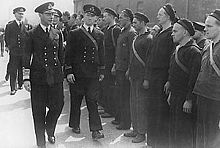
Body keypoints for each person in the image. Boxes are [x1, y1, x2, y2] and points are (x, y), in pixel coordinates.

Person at [23, 2, 64, 148]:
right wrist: (26, 78)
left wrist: (63, 73)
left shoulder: (57, 33)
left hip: (55, 77)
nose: (51, 17)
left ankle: (50, 128)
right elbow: (26, 57)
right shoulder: (31, 34)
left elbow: (61, 56)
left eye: (53, 14)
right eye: (48, 14)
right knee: (38, 112)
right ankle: (41, 143)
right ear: (40, 15)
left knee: (58, 105)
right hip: (38, 77)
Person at [65, 4, 105, 140]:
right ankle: (74, 124)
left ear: (95, 19)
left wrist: (102, 70)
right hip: (77, 74)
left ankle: (96, 130)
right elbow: (68, 54)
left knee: (92, 101)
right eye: (87, 15)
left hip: (92, 74)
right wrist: (69, 71)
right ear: (83, 17)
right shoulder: (74, 33)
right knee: (76, 100)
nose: (90, 17)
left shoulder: (100, 34)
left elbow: (101, 54)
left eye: (93, 16)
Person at [164, 18, 202, 148]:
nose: (172, 33)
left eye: (175, 31)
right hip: (175, 96)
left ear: (185, 32)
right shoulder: (178, 48)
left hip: (185, 99)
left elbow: (194, 78)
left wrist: (189, 100)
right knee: (174, 129)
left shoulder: (194, 52)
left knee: (184, 132)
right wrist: (171, 92)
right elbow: (173, 71)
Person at [143, 3, 176, 148]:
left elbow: (172, 58)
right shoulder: (160, 33)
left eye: (160, 14)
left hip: (162, 76)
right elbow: (150, 55)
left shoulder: (171, 34)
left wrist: (169, 79)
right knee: (152, 108)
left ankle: (160, 143)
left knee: (161, 110)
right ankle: (152, 141)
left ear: (168, 16)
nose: (157, 16)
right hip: (154, 76)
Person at [124, 12, 152, 143]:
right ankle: (135, 128)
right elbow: (132, 56)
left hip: (142, 78)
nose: (133, 24)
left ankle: (141, 132)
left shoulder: (149, 39)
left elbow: (149, 61)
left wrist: (147, 78)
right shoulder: (136, 38)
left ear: (142, 23)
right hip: (134, 76)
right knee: (133, 103)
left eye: (135, 22)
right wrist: (129, 70)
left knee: (141, 105)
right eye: (133, 22)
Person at [193, 9, 220, 148]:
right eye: (205, 25)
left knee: (212, 134)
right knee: (202, 132)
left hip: (216, 99)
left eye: (209, 26)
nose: (205, 29)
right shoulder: (208, 45)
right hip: (203, 94)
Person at [111, 8, 136, 130]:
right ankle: (121, 118)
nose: (119, 19)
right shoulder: (122, 31)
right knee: (120, 95)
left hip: (125, 70)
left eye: (121, 17)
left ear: (128, 19)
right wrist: (115, 65)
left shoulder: (131, 33)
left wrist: (129, 69)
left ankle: (126, 122)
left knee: (125, 97)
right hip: (120, 68)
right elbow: (118, 51)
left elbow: (132, 53)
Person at [100, 8, 121, 119]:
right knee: (106, 87)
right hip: (106, 63)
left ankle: (112, 110)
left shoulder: (115, 30)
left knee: (111, 88)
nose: (104, 18)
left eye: (106, 16)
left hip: (111, 63)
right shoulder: (106, 29)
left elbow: (117, 49)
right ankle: (107, 108)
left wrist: (114, 64)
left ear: (112, 17)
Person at [5, 7, 27, 95]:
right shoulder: (10, 25)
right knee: (13, 69)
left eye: (22, 14)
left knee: (21, 68)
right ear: (15, 14)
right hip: (14, 51)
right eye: (19, 14)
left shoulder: (25, 25)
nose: (21, 15)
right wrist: (8, 46)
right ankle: (13, 88)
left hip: (23, 51)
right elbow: (7, 37)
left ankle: (20, 83)